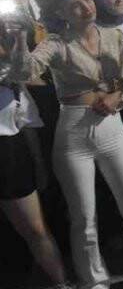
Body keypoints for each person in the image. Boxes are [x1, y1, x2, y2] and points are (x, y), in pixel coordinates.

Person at [13, 0, 123, 289]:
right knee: (84, 217)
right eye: (76, 5)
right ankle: (94, 279)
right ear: (62, 13)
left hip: (112, 126)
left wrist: (122, 93)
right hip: (73, 132)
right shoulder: (58, 44)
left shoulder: (115, 35)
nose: (86, 7)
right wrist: (20, 39)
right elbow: (24, 72)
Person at [0, 21, 69, 288]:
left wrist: (39, 165)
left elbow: (28, 125)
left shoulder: (12, 84)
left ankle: (60, 282)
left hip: (9, 155)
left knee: (35, 229)